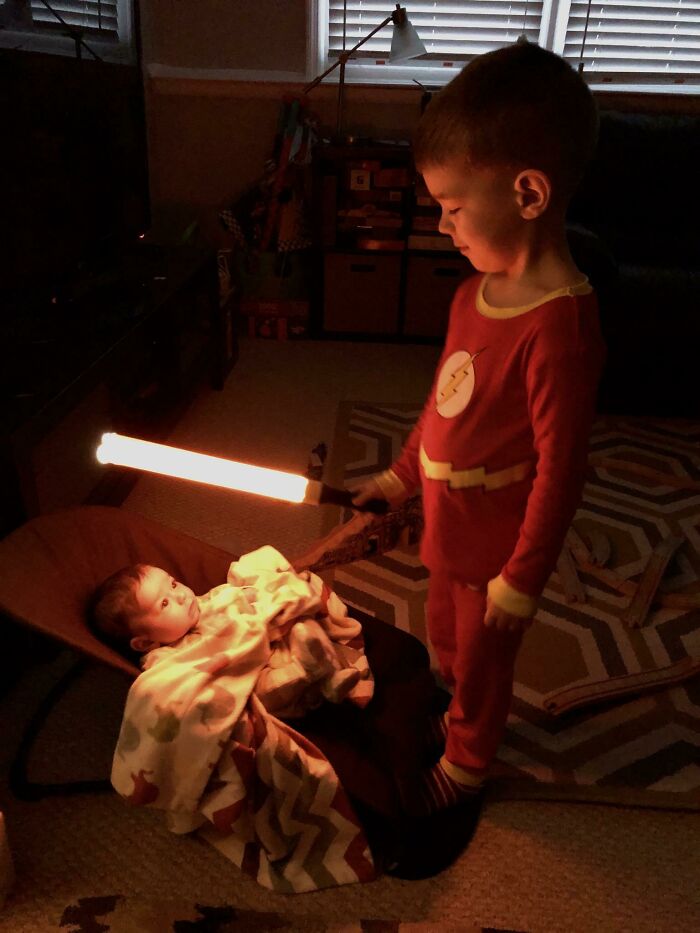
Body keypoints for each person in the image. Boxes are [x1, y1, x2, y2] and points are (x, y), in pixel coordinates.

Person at [352, 42, 606, 819]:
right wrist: (400, 475)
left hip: (497, 545)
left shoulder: (559, 328)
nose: (442, 224)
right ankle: (450, 705)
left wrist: (522, 579)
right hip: (446, 524)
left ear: (528, 193)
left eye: (454, 207)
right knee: (445, 638)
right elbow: (444, 403)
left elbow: (561, 471)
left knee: (485, 655)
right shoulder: (473, 295)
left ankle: (466, 765)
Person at [90, 562, 362, 718]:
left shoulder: (204, 602)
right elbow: (172, 688)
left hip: (272, 644)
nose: (181, 595)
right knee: (264, 691)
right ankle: (308, 675)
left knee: (300, 626)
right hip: (250, 676)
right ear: (144, 642)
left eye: (172, 584)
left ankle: (329, 674)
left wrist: (263, 598)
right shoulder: (162, 659)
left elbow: (237, 595)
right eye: (164, 603)